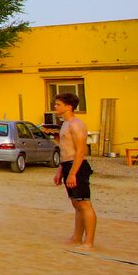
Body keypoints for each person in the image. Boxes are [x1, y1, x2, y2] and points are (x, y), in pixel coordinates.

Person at [53, 93, 96, 250]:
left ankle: (89, 242)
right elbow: (65, 149)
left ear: (68, 107)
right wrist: (60, 171)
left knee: (85, 203)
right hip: (67, 165)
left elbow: (80, 151)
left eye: (58, 104)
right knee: (76, 204)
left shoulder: (76, 124)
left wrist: (72, 173)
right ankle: (77, 237)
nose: (55, 107)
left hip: (77, 166)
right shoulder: (64, 124)